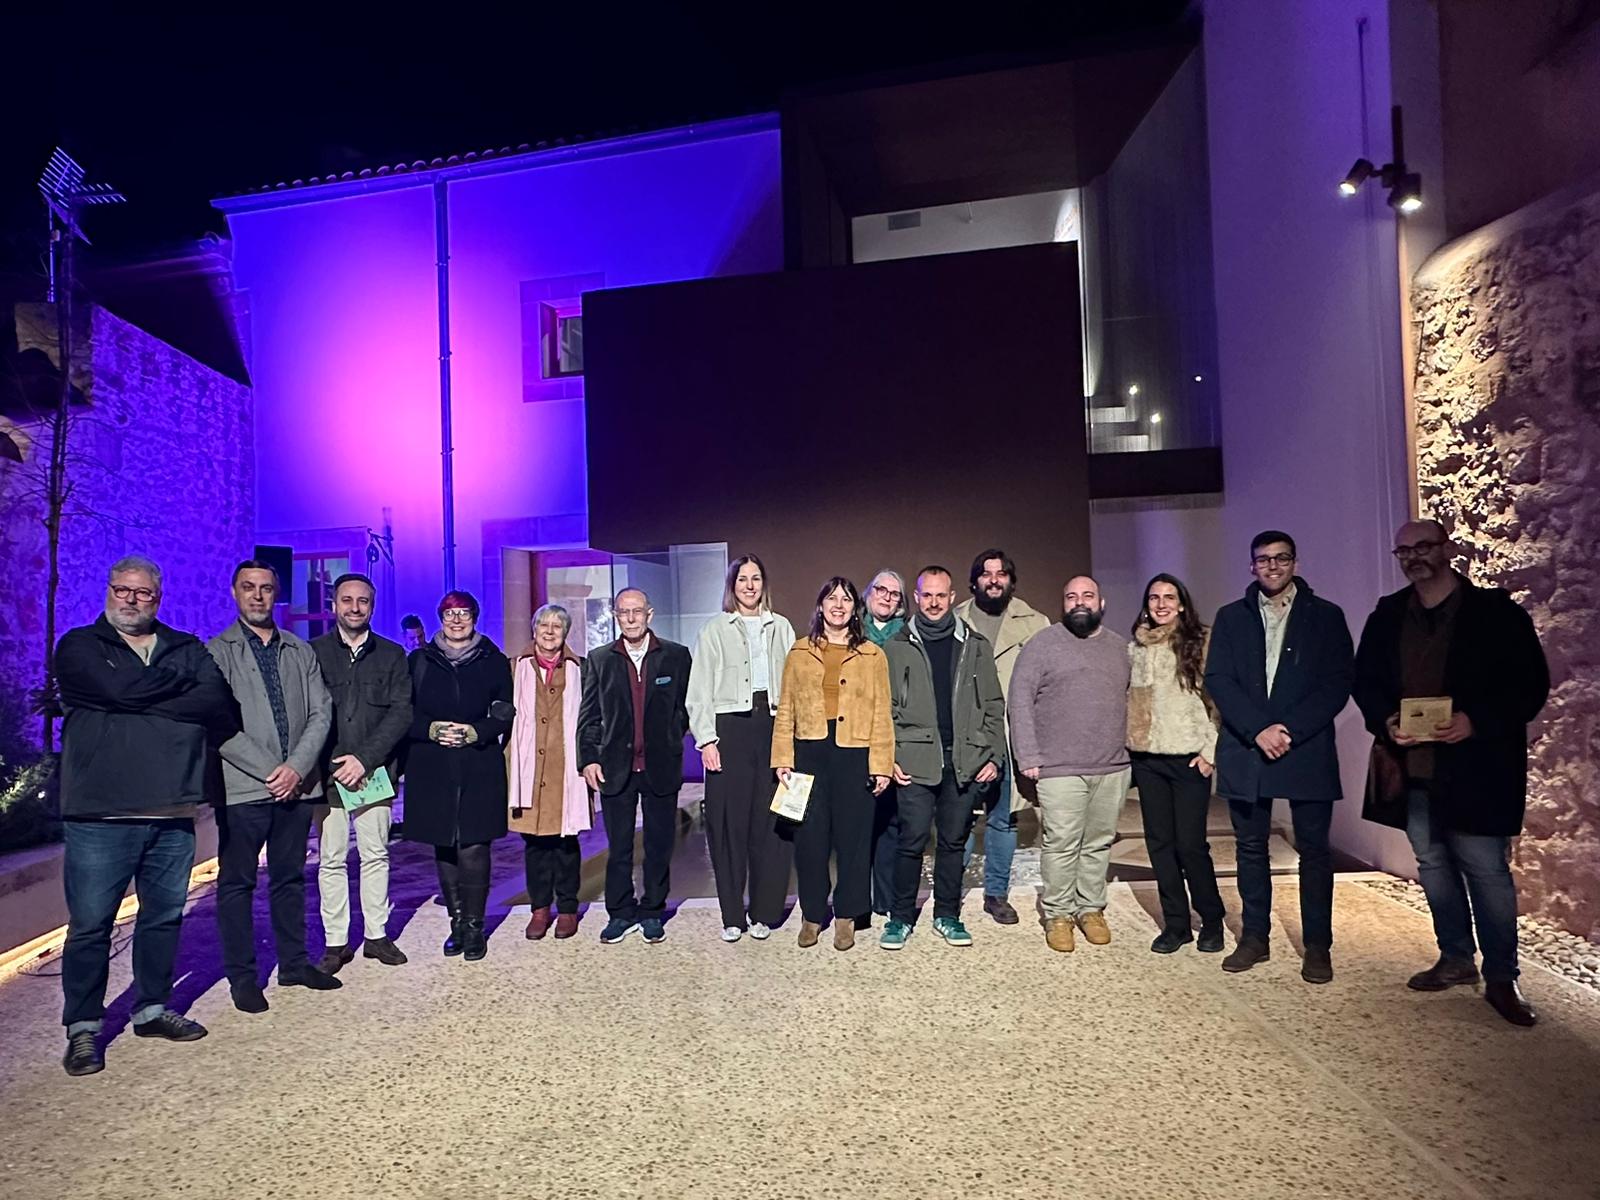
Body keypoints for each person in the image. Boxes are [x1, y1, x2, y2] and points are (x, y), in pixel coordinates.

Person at [1353, 519, 1549, 1026]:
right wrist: (1386, 720)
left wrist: (1475, 721)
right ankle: (1457, 957)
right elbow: (1365, 681)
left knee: (1487, 871)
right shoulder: (1389, 614)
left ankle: (1502, 977)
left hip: (1477, 770)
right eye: (1404, 551)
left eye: (1423, 547)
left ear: (1447, 549)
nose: (1414, 557)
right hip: (1414, 768)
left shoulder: (1496, 614)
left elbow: (1530, 685)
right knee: (1433, 865)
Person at [54, 556, 241, 1076]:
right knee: (91, 925)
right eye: (124, 590)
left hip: (172, 808)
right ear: (109, 590)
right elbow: (118, 690)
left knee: (162, 917)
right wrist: (173, 689)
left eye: (144, 593)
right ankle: (83, 1027)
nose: (132, 600)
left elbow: (216, 703)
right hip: (100, 813)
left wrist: (139, 697)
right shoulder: (80, 646)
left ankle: (152, 1009)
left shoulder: (184, 647)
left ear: (158, 599)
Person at [1206, 531, 1354, 984]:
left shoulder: (1326, 615)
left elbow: (1337, 682)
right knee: (1251, 848)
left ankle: (1318, 945)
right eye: (1263, 559)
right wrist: (1258, 730)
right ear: (1252, 566)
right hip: (1247, 746)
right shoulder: (1231, 617)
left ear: (1295, 563)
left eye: (1281, 558)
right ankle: (1255, 937)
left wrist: (1288, 730)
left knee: (1314, 851)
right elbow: (1219, 679)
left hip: (1304, 747)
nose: (1272, 566)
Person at [208, 560, 338, 1011]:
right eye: (249, 587)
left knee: (290, 878)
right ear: (235, 592)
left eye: (266, 588)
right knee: (237, 884)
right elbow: (217, 722)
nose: (258, 596)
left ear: (276, 594)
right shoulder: (216, 653)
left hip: (297, 787)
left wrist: (296, 769)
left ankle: (294, 963)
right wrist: (273, 771)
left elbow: (321, 712)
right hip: (245, 788)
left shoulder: (299, 650)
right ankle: (243, 978)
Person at [879, 566, 1005, 950]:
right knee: (911, 840)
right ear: (917, 598)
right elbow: (882, 710)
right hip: (914, 759)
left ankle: (947, 915)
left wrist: (994, 756)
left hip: (964, 759)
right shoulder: (895, 647)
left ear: (951, 598)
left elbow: (993, 705)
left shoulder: (975, 645)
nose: (933, 602)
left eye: (940, 595)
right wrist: (888, 757)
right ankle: (901, 918)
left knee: (953, 841)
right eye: (927, 595)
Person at [1009, 576, 1132, 953]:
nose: (1080, 602)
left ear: (1101, 602)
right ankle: (1058, 914)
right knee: (1061, 843)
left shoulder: (1120, 648)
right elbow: (1019, 700)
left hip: (1111, 766)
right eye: (1071, 596)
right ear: (1063, 604)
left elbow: (1135, 701)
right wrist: (1028, 755)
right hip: (1058, 767)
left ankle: (1090, 909)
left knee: (1098, 842)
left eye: (1087, 595)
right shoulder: (1042, 644)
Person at [771, 577, 894, 950]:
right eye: (832, 598)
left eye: (846, 599)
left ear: (855, 608)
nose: (838, 605)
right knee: (810, 840)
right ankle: (812, 914)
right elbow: (786, 707)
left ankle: (847, 916)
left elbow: (881, 713)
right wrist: (782, 757)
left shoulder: (872, 655)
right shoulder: (799, 652)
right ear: (821, 605)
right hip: (809, 752)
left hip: (854, 753)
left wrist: (881, 764)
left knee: (854, 840)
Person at [687, 555, 797, 942]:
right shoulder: (714, 630)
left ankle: (764, 913)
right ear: (732, 585)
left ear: (764, 584)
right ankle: (732, 915)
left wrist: (792, 739)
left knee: (773, 825)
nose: (749, 586)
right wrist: (706, 739)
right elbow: (698, 691)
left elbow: (795, 687)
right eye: (742, 579)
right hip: (729, 731)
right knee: (728, 827)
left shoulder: (782, 627)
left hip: (773, 728)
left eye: (756, 578)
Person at [402, 591, 514, 961]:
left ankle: (475, 926)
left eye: (464, 613)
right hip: (432, 765)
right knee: (445, 844)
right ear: (440, 618)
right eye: (450, 613)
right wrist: (431, 729)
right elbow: (404, 712)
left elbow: (504, 711)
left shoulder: (492, 659)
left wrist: (477, 732)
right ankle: (457, 922)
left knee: (475, 845)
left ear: (475, 618)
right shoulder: (419, 661)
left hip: (478, 764)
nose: (457, 620)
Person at [311, 573, 413, 975]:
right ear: (334, 604)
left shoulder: (392, 655)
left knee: (375, 854)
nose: (355, 607)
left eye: (363, 601)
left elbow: (401, 713)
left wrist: (364, 760)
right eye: (347, 600)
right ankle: (336, 942)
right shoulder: (313, 653)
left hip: (374, 771)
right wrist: (335, 764)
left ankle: (376, 935)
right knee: (331, 859)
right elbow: (308, 713)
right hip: (327, 774)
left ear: (372, 606)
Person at [578, 588, 693, 945]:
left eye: (637, 611)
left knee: (659, 845)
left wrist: (671, 736)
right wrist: (589, 758)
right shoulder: (600, 659)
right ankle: (620, 912)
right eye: (623, 612)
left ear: (649, 614)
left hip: (661, 765)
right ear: (616, 616)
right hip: (616, 767)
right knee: (620, 847)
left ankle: (652, 911)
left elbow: (686, 707)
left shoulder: (675, 656)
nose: (630, 618)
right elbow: (589, 716)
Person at [1127, 573, 1227, 954]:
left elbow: (1218, 702)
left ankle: (1212, 920)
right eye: (1154, 598)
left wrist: (1210, 753)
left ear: (1182, 604)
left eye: (1169, 597)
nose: (1161, 604)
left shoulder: (1200, 641)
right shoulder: (1136, 647)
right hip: (1149, 760)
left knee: (1190, 845)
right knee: (1160, 845)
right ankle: (1176, 924)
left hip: (1189, 759)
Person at [954, 548, 1051, 923]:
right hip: (965, 735)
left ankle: (996, 894)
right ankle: (950, 892)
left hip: (1010, 733)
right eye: (986, 573)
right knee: (958, 818)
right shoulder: (955, 619)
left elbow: (1046, 685)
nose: (993, 580)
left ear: (1011, 580)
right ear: (974, 581)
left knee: (1003, 817)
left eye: (1001, 574)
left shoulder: (1035, 622)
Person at [507, 604, 590, 942]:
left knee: (566, 844)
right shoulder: (515, 667)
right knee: (535, 844)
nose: (550, 631)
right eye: (544, 624)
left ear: (565, 632)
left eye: (557, 626)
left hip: (565, 769)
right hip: (529, 770)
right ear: (534, 629)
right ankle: (540, 909)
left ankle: (567, 908)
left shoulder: (581, 668)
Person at [861, 569, 907, 921]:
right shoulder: (850, 631)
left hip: (894, 736)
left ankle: (886, 899)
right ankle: (858, 901)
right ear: (869, 593)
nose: (887, 597)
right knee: (857, 824)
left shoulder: (908, 636)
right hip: (854, 737)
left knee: (891, 824)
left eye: (894, 593)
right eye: (881, 590)